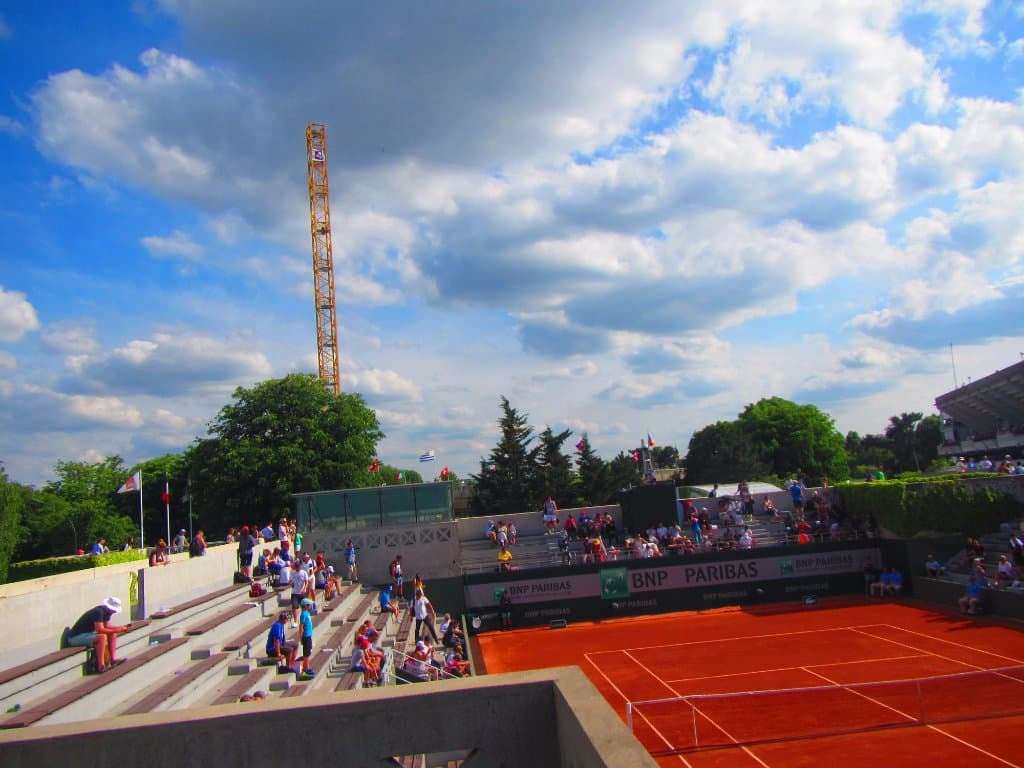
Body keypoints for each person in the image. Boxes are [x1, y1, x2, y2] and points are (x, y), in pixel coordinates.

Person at [66, 596, 129, 673]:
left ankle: (113, 660)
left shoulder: (107, 613)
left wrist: (120, 628)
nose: (114, 612)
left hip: (88, 634)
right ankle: (101, 666)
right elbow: (100, 629)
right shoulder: (98, 612)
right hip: (75, 638)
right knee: (102, 637)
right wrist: (118, 629)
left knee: (112, 634)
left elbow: (107, 626)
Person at [290, 557, 310, 627]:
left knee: (304, 607)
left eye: (298, 566)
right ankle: (295, 621)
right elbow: (291, 581)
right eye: (296, 566)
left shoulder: (304, 572)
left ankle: (304, 620)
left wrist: (304, 588)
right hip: (294, 592)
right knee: (294, 607)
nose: (297, 568)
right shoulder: (293, 573)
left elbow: (306, 581)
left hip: (302, 592)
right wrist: (291, 583)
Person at [297, 598, 315, 677]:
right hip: (306, 636)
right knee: (306, 654)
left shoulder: (307, 613)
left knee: (308, 652)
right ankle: (306, 669)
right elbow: (301, 627)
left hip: (309, 635)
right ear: (306, 606)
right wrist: (301, 638)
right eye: (309, 605)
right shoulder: (303, 614)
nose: (311, 606)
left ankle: (307, 667)